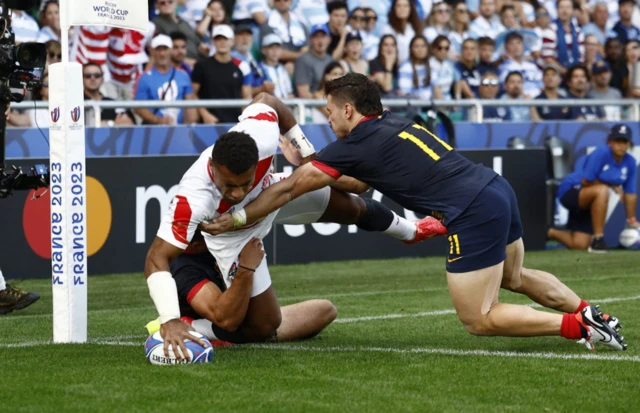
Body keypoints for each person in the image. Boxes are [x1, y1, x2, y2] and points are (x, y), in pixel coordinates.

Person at [202, 73, 627, 352]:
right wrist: (312, 161)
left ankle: (578, 327)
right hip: (495, 190)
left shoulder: (356, 142)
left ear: (348, 110)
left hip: (470, 210)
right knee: (515, 278)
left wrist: (237, 218)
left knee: (480, 318)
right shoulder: (393, 122)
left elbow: (294, 187)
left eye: (329, 112)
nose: (328, 119)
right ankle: (590, 311)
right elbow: (357, 183)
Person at [144, 92, 446, 360]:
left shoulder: (260, 135)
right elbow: (157, 257)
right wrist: (169, 318)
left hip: (270, 196)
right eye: (228, 185)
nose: (236, 193)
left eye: (243, 183)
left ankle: (412, 231)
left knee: (350, 203)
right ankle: (191, 326)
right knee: (264, 325)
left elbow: (270, 101)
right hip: (234, 235)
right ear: (213, 169)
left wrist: (304, 149)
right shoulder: (192, 199)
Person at [548, 125, 638, 252]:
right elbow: (586, 181)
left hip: (591, 201)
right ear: (610, 141)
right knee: (602, 190)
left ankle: (549, 232)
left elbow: (630, 194)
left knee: (580, 244)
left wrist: (631, 220)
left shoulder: (630, 162)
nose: (621, 145)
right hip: (572, 191)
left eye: (624, 142)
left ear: (629, 143)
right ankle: (598, 240)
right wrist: (611, 185)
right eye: (617, 141)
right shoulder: (601, 153)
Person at [83, 63, 135, 127]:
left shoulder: (113, 103)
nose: (92, 78)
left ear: (102, 78)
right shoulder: (76, 104)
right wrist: (112, 124)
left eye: (97, 75)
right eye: (88, 76)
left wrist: (108, 124)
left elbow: (128, 124)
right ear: (82, 79)